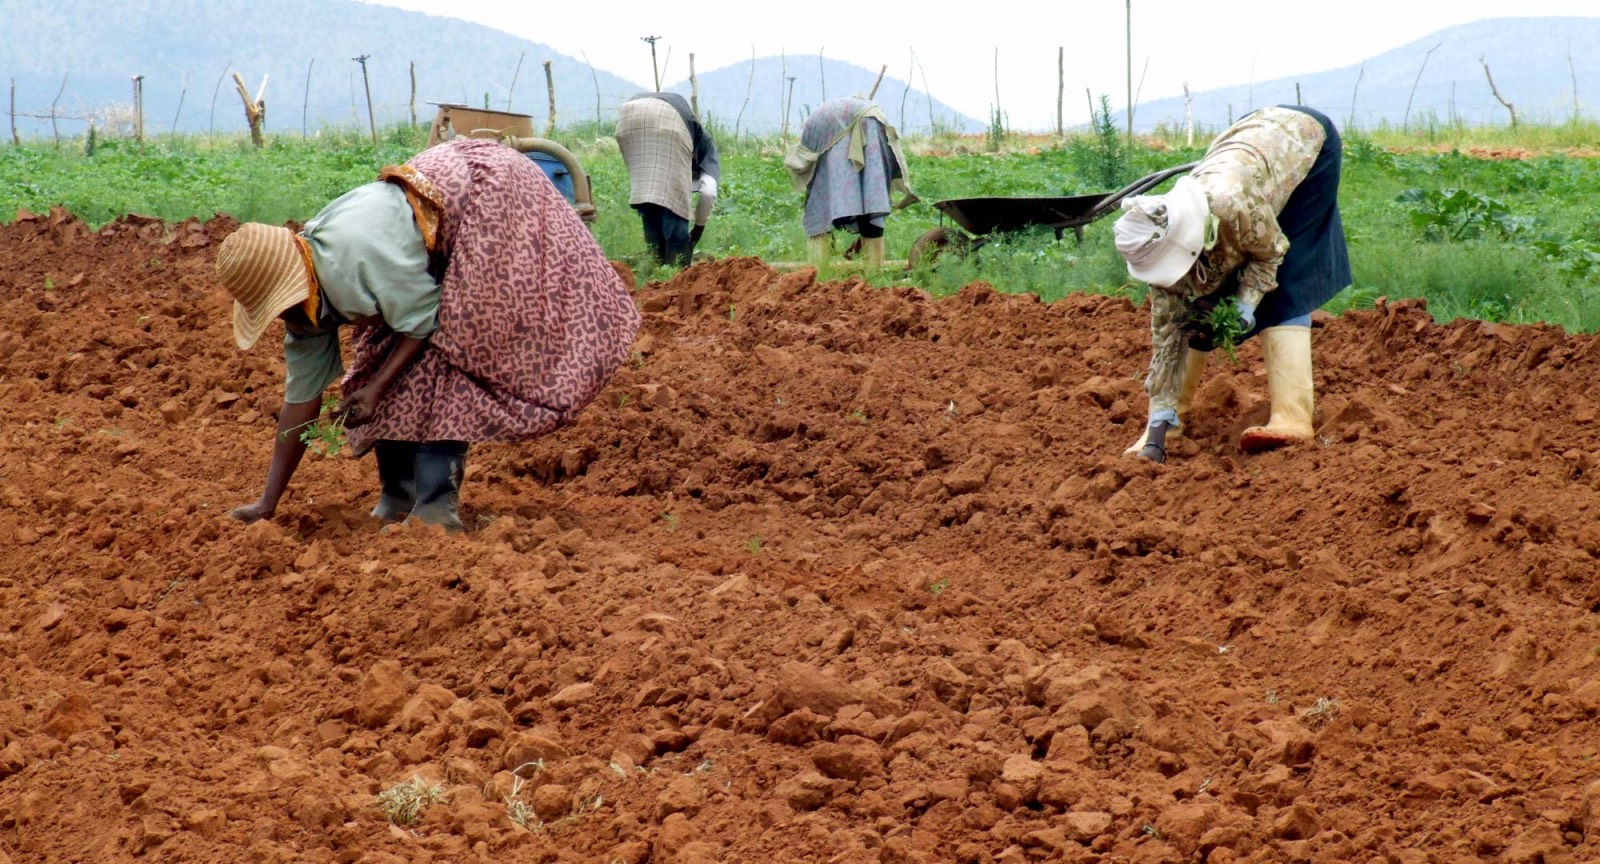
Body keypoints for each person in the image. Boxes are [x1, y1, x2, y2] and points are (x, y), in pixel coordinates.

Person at [216, 137, 641, 530]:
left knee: (457, 342)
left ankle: (437, 505)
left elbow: (423, 322)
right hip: (429, 236)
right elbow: (299, 402)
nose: (280, 318)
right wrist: (267, 503)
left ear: (290, 285)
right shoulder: (305, 309)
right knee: (379, 356)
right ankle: (398, 494)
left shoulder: (354, 261)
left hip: (488, 197)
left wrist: (378, 391)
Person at [1113, 105, 1351, 463]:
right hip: (1252, 142)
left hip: (1306, 143)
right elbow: (1168, 334)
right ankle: (1171, 424)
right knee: (1194, 308)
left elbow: (1270, 253)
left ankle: (1293, 418)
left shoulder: (1230, 205)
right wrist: (1159, 413)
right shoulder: (1159, 250)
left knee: (1286, 279)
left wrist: (1246, 303)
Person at [785, 96, 918, 270]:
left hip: (855, 123)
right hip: (873, 122)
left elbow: (818, 206)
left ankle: (819, 273)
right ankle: (873, 272)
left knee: (819, 209)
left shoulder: (811, 140)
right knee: (870, 199)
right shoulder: (820, 130)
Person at [615, 91, 720, 267]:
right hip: (668, 121)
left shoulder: (693, 135)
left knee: (649, 196)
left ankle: (655, 268)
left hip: (627, 117)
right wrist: (697, 232)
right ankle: (675, 273)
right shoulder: (707, 150)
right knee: (676, 215)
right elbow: (708, 192)